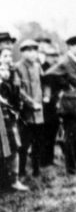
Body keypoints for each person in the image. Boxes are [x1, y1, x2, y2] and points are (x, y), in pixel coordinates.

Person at [44, 36, 76, 180]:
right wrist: (66, 84)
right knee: (72, 139)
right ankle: (72, 172)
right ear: (71, 47)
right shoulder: (65, 62)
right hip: (70, 106)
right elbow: (47, 75)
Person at [15, 40, 45, 179]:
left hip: (39, 112)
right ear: (22, 52)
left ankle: (37, 170)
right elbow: (18, 89)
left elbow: (45, 83)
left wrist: (46, 97)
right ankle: (21, 171)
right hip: (26, 112)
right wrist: (31, 103)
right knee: (24, 143)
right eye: (28, 50)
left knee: (38, 142)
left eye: (34, 50)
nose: (32, 53)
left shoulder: (38, 66)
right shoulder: (18, 68)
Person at [0, 48, 28, 191]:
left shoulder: (13, 74)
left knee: (14, 146)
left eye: (10, 56)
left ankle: (14, 180)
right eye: (4, 55)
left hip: (10, 116)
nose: (8, 58)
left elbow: (17, 94)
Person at [38, 39, 61, 167]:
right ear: (46, 56)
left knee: (52, 132)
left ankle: (50, 159)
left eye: (57, 55)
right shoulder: (43, 68)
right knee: (44, 133)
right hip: (44, 105)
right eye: (52, 56)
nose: (55, 58)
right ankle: (43, 160)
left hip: (55, 105)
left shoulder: (58, 69)